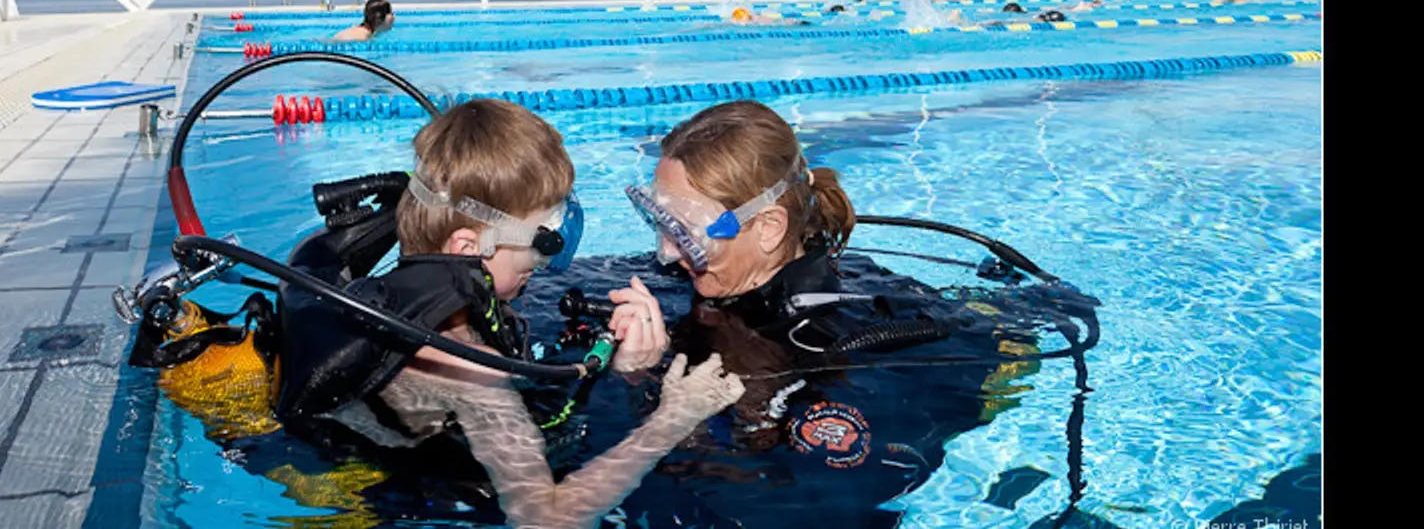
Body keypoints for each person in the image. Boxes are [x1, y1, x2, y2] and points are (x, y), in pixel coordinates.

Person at [139, 99, 744, 528]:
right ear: (465, 250)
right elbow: (545, 520)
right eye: (545, 238)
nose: (549, 256)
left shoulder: (376, 296)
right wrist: (671, 415)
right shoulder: (470, 366)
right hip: (365, 497)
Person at [602, 100, 1089, 526]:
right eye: (657, 220)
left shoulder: (845, 358)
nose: (665, 253)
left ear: (769, 228)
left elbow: (807, 511)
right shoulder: (707, 280)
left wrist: (642, 388)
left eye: (685, 232)